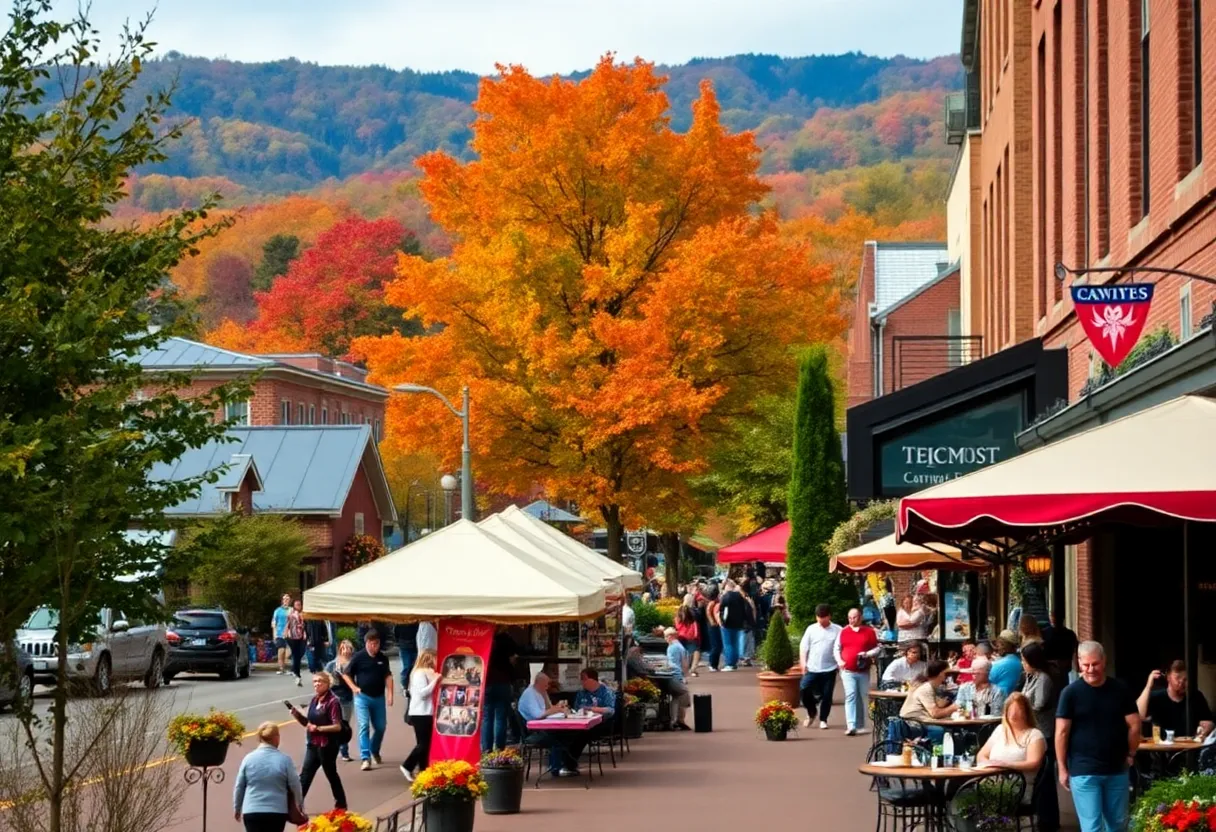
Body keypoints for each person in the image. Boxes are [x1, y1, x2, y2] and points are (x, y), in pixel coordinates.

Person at [1056, 641, 1140, 832]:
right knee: (1092, 827)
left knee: (1118, 825)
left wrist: (1131, 753)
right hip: (1084, 769)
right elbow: (1061, 732)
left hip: (1117, 767)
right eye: (1086, 665)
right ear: (1079, 663)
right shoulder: (1070, 693)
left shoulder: (1120, 689)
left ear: (1104, 661)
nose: (1091, 669)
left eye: (1095, 664)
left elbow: (1134, 724)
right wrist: (1062, 767)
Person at [289, 671, 347, 811]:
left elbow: (337, 726)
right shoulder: (315, 700)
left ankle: (341, 804)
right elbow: (309, 723)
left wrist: (319, 728)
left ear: (328, 684)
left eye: (320, 681)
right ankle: (297, 805)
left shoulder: (333, 702)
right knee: (305, 775)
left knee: (331, 774)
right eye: (315, 681)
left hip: (327, 745)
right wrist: (297, 715)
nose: (317, 684)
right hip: (313, 743)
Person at [233, 721, 303, 832]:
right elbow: (295, 784)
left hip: (252, 810)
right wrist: (300, 804)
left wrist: (237, 807)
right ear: (276, 738)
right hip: (277, 811)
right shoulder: (284, 760)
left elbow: (240, 786)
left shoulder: (248, 759)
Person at [1022, 641, 1061, 832]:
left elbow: (1040, 703)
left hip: (1044, 732)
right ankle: (1041, 815)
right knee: (1038, 778)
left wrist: (1023, 707)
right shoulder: (1032, 676)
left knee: (1044, 777)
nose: (1022, 663)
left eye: (1024, 660)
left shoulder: (1044, 678)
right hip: (1034, 731)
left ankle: (1049, 820)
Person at [340, 629, 393, 771]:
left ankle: (374, 749)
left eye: (377, 643)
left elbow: (388, 676)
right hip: (362, 697)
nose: (376, 647)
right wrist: (353, 687)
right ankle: (365, 757)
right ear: (367, 643)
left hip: (378, 697)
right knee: (364, 726)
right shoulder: (358, 657)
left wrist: (390, 694)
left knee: (381, 727)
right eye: (373, 644)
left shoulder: (383, 658)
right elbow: (346, 674)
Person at [1137, 660, 1215, 740]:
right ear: (1168, 677)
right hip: (1162, 746)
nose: (1181, 682)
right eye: (1177, 678)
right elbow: (1139, 714)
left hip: (1190, 746)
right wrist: (1148, 686)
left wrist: (1208, 726)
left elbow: (1209, 721)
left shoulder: (1196, 696)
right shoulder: (1156, 696)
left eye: (1185, 679)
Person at [518, 672, 577, 777]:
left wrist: (546, 696)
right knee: (559, 737)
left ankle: (563, 765)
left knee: (568, 734)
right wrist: (557, 709)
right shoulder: (530, 694)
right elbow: (538, 715)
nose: (548, 687)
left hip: (541, 727)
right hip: (533, 732)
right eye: (546, 685)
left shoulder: (539, 692)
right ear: (539, 683)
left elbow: (548, 708)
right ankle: (558, 767)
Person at [834, 607, 882, 736]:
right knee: (851, 695)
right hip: (847, 670)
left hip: (863, 670)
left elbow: (877, 648)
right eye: (849, 618)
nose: (852, 620)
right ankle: (851, 725)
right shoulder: (843, 632)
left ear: (860, 617)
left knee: (862, 696)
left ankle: (860, 724)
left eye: (854, 617)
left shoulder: (869, 632)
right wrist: (840, 661)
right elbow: (836, 648)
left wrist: (867, 654)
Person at [978, 692, 1047, 777]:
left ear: (1026, 713)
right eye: (1010, 710)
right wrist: (989, 764)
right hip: (990, 780)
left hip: (1017, 784)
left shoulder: (1034, 735)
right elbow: (981, 755)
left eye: (1018, 710)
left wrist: (1006, 765)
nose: (1013, 714)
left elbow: (1033, 764)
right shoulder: (1000, 730)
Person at [799, 603, 842, 729]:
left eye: (823, 618)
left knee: (827, 694)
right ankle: (812, 712)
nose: (821, 621)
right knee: (804, 689)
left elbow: (841, 648)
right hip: (812, 667)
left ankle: (824, 719)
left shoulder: (838, 630)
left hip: (829, 668)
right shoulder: (811, 629)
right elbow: (803, 647)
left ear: (829, 616)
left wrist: (840, 663)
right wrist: (803, 663)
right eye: (818, 617)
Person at [401, 650, 438, 781]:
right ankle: (407, 766)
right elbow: (423, 693)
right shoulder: (419, 673)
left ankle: (423, 771)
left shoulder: (424, 673)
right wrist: (436, 681)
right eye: (435, 658)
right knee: (423, 744)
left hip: (425, 712)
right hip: (420, 713)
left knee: (425, 744)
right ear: (429, 659)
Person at [898, 660, 958, 741]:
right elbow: (935, 714)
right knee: (943, 731)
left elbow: (937, 705)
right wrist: (954, 707)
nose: (948, 677)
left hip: (917, 722)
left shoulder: (928, 685)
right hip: (913, 725)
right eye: (947, 674)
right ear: (940, 674)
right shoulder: (926, 687)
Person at [482, 627, 518, 752]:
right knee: (501, 717)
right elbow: (515, 655)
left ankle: (486, 749)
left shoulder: (483, 636)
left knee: (487, 717)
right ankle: (499, 748)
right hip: (503, 681)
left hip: (487, 680)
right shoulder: (505, 639)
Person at [324, 640, 356, 762]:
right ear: (340, 650)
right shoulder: (332, 665)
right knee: (332, 724)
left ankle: (344, 751)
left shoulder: (353, 664)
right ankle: (332, 750)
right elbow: (325, 679)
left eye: (349, 648)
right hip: (334, 698)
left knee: (344, 726)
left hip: (347, 698)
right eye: (344, 648)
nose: (347, 651)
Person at [663, 627, 693, 730]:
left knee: (680, 695)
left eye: (665, 636)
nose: (665, 639)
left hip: (675, 675)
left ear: (670, 636)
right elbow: (684, 664)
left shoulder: (672, 647)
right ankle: (677, 719)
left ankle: (677, 719)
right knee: (677, 697)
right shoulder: (679, 646)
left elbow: (673, 664)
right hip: (679, 675)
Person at [717, 579, 747, 672]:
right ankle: (734, 663)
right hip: (738, 623)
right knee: (735, 643)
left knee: (728, 644)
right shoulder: (740, 596)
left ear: (727, 586)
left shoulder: (726, 596)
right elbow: (744, 609)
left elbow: (722, 610)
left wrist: (722, 621)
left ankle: (729, 663)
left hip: (727, 623)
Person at [1043, 611, 1079, 681]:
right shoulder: (1070, 634)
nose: (1052, 618)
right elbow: (1075, 650)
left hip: (1052, 668)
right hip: (1063, 668)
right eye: (1051, 616)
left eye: (1053, 616)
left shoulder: (1045, 633)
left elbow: (1075, 650)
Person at [675, 596, 701, 677]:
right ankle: (693, 668)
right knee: (695, 651)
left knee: (683, 652)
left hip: (681, 634)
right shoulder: (693, 611)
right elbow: (697, 620)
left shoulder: (679, 610)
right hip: (691, 635)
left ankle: (683, 669)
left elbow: (676, 622)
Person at [285, 600, 307, 686]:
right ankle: (297, 673)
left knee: (300, 653)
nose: (298, 605)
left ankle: (295, 670)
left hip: (301, 636)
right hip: (293, 636)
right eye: (297, 604)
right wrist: (286, 632)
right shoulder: (291, 614)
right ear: (294, 605)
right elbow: (288, 624)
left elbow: (305, 625)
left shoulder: (303, 614)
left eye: (299, 604)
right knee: (296, 654)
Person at [393, 623, 420, 693]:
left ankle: (411, 684)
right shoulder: (401, 622)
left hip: (413, 645)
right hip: (405, 646)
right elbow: (396, 632)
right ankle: (404, 685)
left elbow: (396, 633)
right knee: (407, 666)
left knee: (414, 666)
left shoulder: (414, 622)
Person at [271, 594, 292, 676]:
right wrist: (274, 634)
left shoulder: (292, 610)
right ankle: (281, 668)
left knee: (289, 651)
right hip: (280, 633)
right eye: (285, 599)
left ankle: (283, 665)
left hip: (290, 634)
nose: (286, 600)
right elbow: (273, 622)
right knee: (281, 650)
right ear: (282, 600)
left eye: (288, 599)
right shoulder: (277, 610)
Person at [705, 587, 723, 672]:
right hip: (713, 626)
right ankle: (712, 664)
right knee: (716, 645)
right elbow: (708, 612)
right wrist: (712, 622)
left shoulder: (713, 602)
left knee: (717, 645)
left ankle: (714, 664)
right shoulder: (712, 603)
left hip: (713, 625)